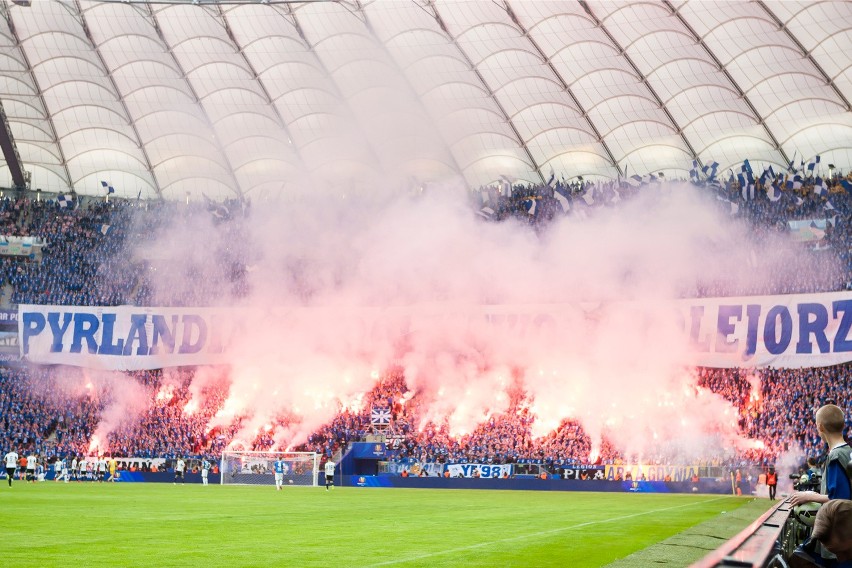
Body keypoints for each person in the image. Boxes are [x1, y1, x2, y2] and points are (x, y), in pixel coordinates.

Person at [789, 404, 851, 566]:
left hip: (838, 538)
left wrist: (810, 496)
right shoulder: (848, 452)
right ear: (843, 425)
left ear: (820, 427)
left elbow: (839, 500)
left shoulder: (836, 456)